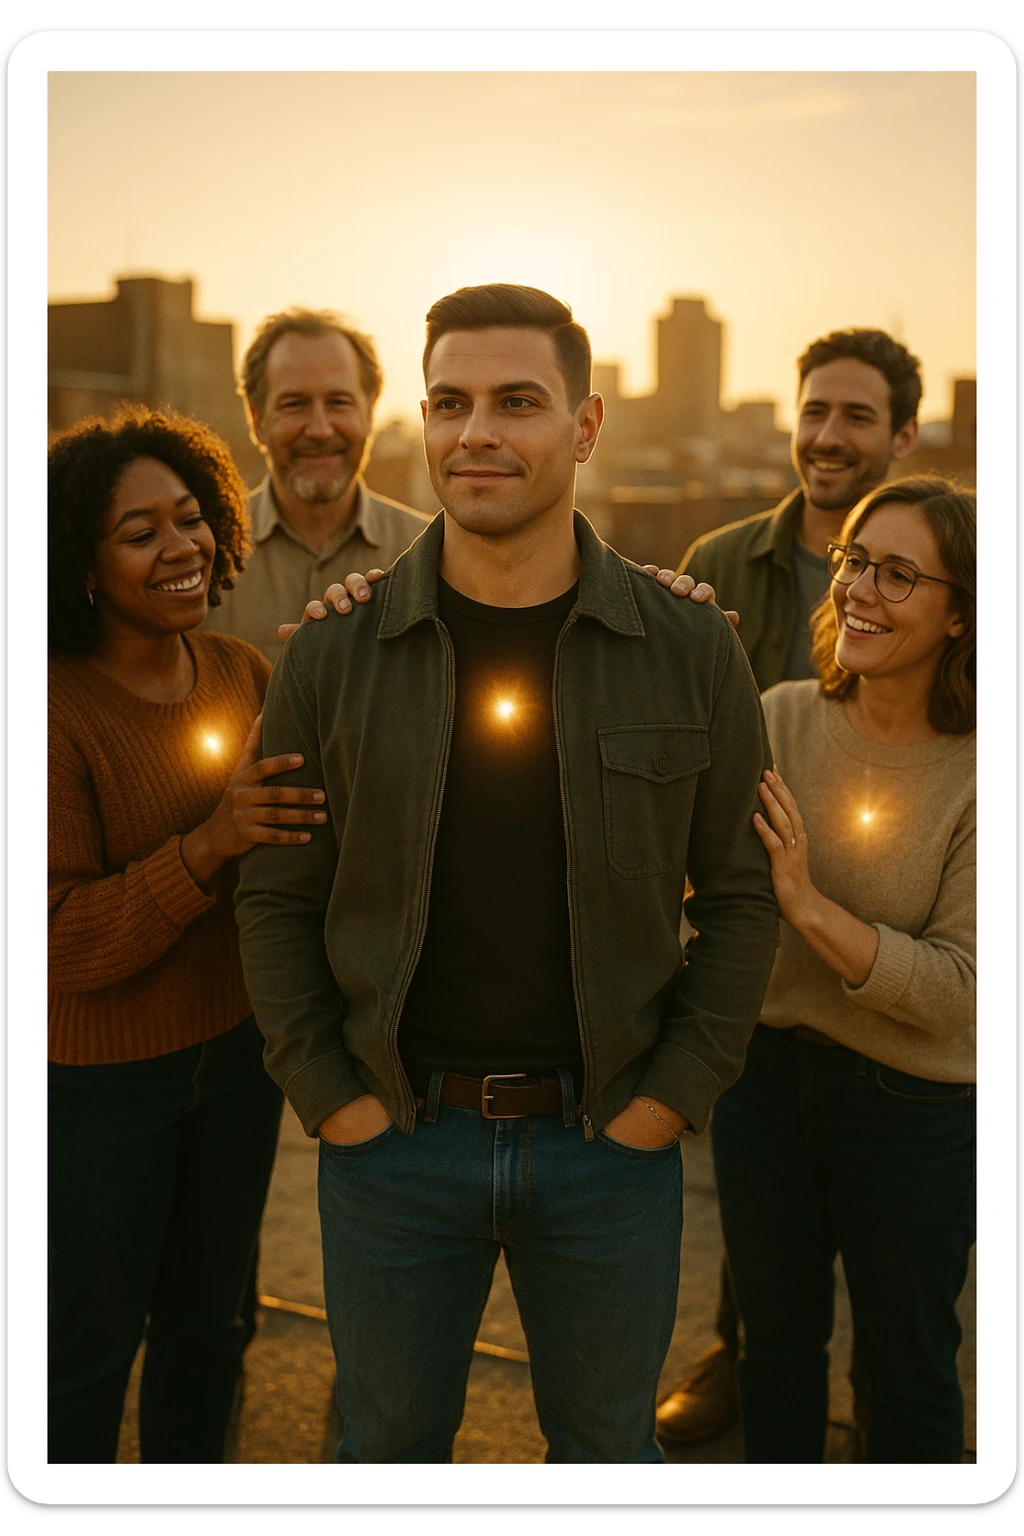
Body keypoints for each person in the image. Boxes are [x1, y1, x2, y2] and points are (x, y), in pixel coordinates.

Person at [235, 283, 780, 1464]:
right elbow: (277, 894)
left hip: (606, 1145)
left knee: (606, 1457)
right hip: (393, 1140)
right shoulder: (333, 648)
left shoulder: (689, 647)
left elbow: (739, 899)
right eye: (450, 402)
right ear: (419, 423)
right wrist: (328, 1090)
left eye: (516, 402)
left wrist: (669, 1096)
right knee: (381, 1454)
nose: (475, 431)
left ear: (585, 428)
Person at [655, 326, 924, 1446]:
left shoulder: (948, 562)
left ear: (902, 437)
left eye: (856, 417)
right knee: (767, 1234)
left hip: (908, 931)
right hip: (754, 936)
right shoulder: (722, 559)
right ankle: (742, 1353)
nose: (827, 436)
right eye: (814, 411)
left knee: (906, 1296)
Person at [47, 406, 326, 1463]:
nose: (183, 548)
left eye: (190, 518)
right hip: (97, 1091)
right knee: (84, 1349)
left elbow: (294, 850)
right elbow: (59, 944)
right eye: (139, 532)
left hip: (233, 1067)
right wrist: (207, 846)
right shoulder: (53, 711)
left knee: (213, 1332)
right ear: (80, 560)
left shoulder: (240, 670)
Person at [711, 474, 975, 1462]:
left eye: (899, 574)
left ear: (960, 615)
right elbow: (702, 887)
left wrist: (808, 906)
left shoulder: (983, 773)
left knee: (904, 1374)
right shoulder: (778, 715)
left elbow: (961, 992)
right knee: (772, 1355)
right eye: (855, 561)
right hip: (765, 1088)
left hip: (914, 1114)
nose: (860, 590)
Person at [202, 307, 430, 665]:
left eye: (339, 403)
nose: (320, 430)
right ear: (256, 419)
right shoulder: (202, 558)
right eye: (295, 404)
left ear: (370, 414)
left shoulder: (434, 554)